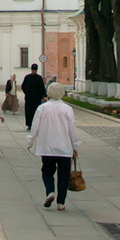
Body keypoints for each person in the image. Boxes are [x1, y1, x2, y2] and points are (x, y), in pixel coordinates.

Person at [28, 81, 80, 210]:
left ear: (49, 93)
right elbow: (71, 129)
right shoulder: (67, 109)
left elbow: (35, 127)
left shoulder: (42, 108)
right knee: (64, 176)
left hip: (47, 146)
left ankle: (50, 191)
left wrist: (30, 141)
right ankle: (61, 202)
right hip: (64, 147)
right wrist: (75, 145)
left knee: (47, 171)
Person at [21, 63, 46, 130]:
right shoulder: (30, 77)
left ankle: (34, 124)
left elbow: (42, 88)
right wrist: (26, 93)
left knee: (35, 112)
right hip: (31, 98)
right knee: (29, 112)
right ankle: (29, 124)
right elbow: (23, 86)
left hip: (35, 99)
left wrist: (43, 96)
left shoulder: (36, 78)